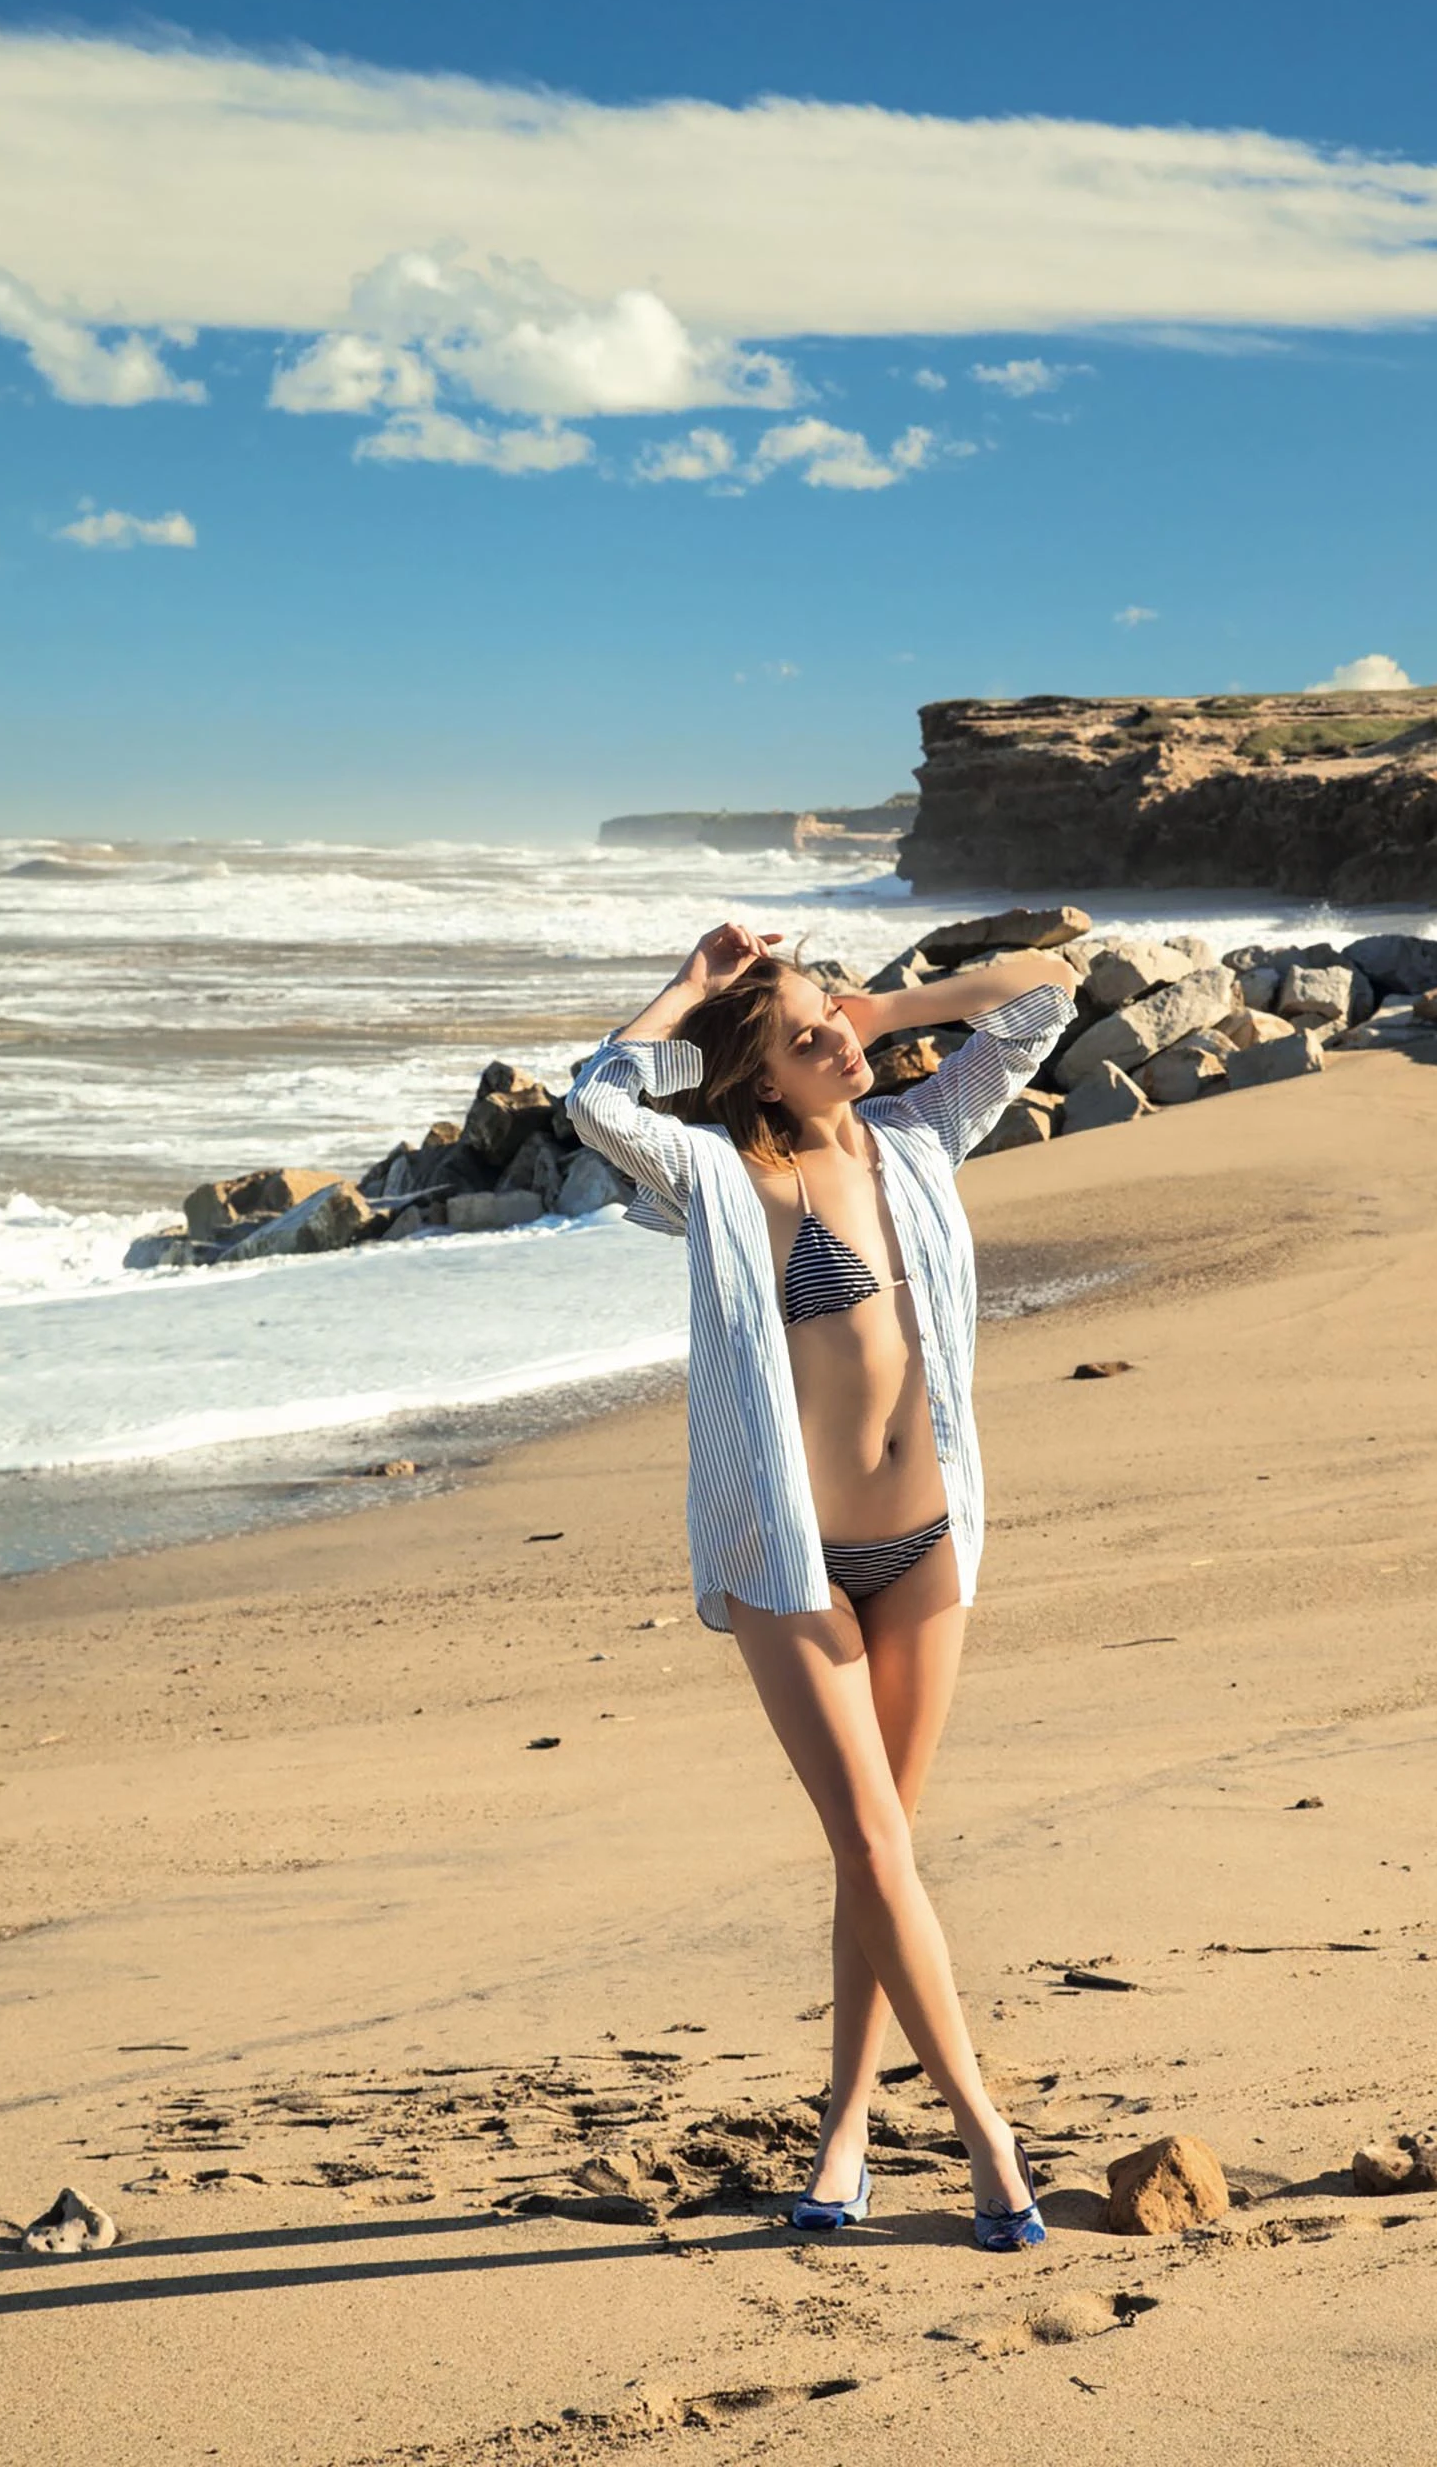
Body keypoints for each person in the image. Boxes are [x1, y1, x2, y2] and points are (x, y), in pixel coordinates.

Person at [566, 919, 1079, 2251]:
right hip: (789, 1562)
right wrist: (690, 988)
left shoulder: (919, 1136)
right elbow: (597, 1104)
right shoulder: (725, 1178)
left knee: (882, 1852)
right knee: (871, 1844)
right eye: (805, 1041)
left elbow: (1044, 998)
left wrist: (886, 1003)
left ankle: (844, 2129)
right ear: (759, 1079)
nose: (837, 1045)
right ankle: (985, 2134)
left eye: (834, 1022)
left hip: (928, 1547)